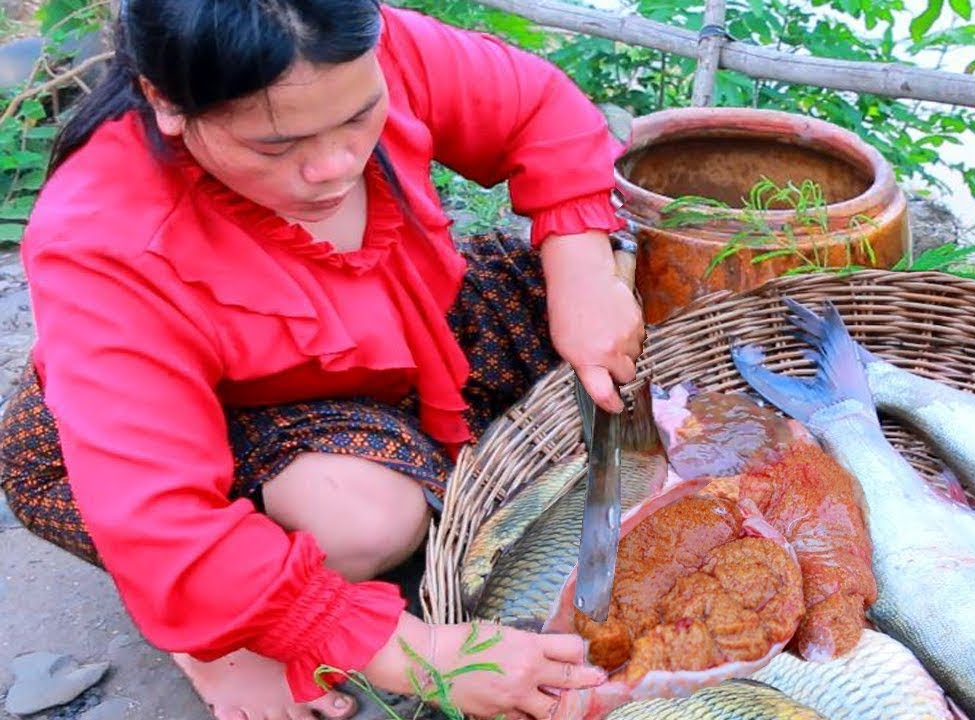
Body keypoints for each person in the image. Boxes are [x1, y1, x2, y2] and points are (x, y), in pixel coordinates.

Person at [0, 1, 645, 719]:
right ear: (165, 101)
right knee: (363, 521)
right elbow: (161, 525)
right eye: (278, 146)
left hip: (390, 338)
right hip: (187, 430)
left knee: (628, 288)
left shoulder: (347, 47)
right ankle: (220, 642)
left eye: (361, 116)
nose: (337, 165)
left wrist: (582, 272)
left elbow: (537, 110)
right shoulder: (100, 238)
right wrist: (423, 655)